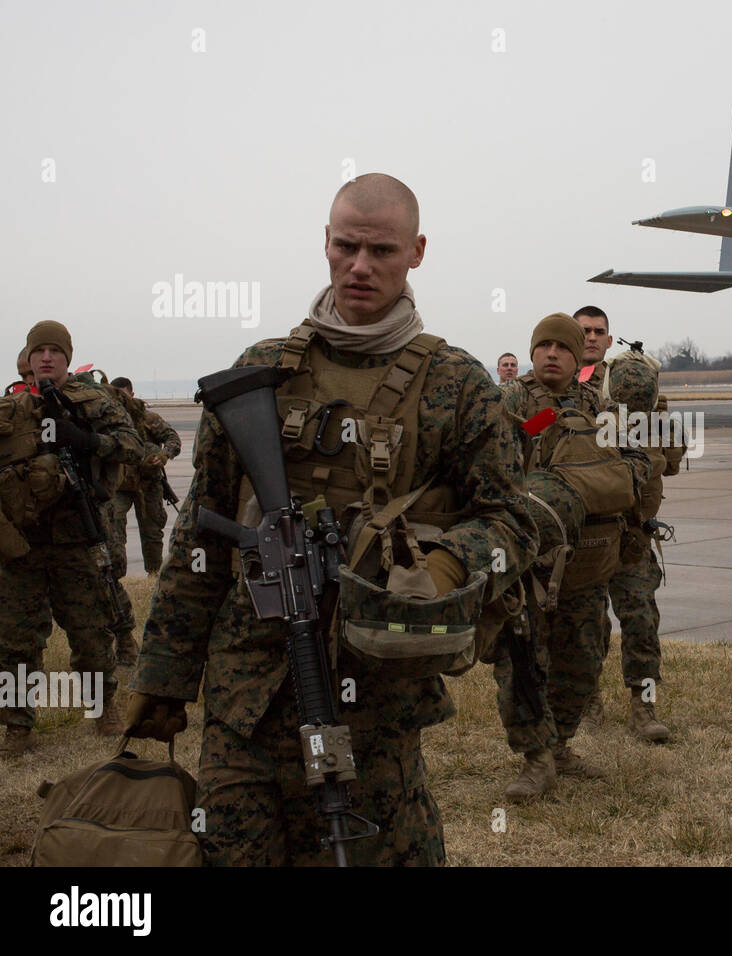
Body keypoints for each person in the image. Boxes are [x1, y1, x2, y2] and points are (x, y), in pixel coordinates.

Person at [126, 173, 536, 865]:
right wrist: (162, 678)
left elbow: (515, 524)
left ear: (417, 251)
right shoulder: (259, 374)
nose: (360, 266)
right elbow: (201, 533)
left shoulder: (457, 386)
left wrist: (441, 563)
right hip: (244, 696)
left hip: (375, 699)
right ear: (325, 241)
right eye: (346, 246)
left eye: (381, 250)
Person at [494, 312, 648, 799]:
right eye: (544, 347)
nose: (553, 354)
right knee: (521, 660)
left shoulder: (596, 404)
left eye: (562, 347)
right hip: (529, 560)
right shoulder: (510, 401)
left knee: (584, 653)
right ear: (533, 352)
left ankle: (559, 743)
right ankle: (535, 758)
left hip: (586, 559)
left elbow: (633, 459)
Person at [0, 322, 143, 756]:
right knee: (16, 642)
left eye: (55, 351)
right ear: (27, 357)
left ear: (66, 356)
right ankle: (18, 729)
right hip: (21, 545)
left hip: (75, 540)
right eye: (38, 350)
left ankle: (103, 712)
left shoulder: (93, 402)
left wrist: (86, 439)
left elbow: (133, 447)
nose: (46, 357)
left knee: (90, 634)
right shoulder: (9, 407)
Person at [574, 305, 671, 742]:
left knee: (640, 619)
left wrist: (653, 419)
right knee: (586, 623)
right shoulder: (558, 388)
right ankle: (587, 702)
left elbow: (670, 454)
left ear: (610, 340)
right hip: (584, 533)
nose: (591, 337)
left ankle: (643, 707)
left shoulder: (637, 382)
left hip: (631, 532)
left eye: (599, 331)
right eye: (584, 331)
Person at [107, 377, 181, 578]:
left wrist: (164, 455)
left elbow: (172, 439)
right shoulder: (109, 421)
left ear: (131, 395)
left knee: (151, 531)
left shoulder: (148, 419)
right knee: (113, 530)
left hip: (148, 484)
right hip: (120, 485)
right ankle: (117, 577)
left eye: (123, 396)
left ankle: (154, 574)